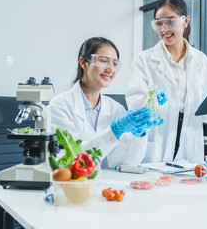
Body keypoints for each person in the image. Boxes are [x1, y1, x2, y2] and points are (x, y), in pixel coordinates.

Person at [126, 0, 207, 163]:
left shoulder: (200, 60)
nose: (164, 29)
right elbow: (134, 103)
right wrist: (151, 102)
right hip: (157, 145)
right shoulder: (144, 60)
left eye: (170, 22)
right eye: (158, 24)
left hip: (190, 146)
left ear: (185, 21)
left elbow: (204, 114)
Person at [50, 37, 159, 168]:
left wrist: (140, 133)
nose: (110, 69)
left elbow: (124, 164)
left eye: (114, 63)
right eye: (103, 61)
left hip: (109, 185)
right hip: (73, 185)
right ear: (83, 63)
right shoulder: (59, 106)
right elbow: (71, 159)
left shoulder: (116, 109)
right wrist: (113, 132)